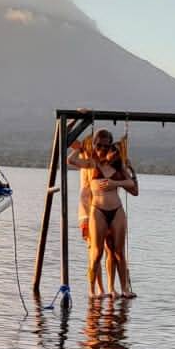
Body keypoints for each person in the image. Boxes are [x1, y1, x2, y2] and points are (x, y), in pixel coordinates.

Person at [67, 128, 116, 299]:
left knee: (110, 249)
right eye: (99, 145)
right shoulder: (86, 153)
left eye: (105, 146)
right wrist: (76, 121)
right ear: (94, 144)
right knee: (94, 251)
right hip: (88, 210)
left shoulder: (109, 159)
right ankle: (97, 289)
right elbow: (67, 139)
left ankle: (110, 288)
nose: (102, 148)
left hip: (104, 208)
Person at [88, 143, 139, 299]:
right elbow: (72, 160)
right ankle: (92, 290)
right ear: (105, 151)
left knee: (119, 252)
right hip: (98, 210)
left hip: (116, 210)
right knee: (97, 253)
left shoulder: (119, 169)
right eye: (113, 152)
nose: (116, 155)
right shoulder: (94, 163)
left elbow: (133, 186)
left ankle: (124, 289)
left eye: (118, 154)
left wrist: (115, 183)